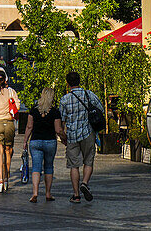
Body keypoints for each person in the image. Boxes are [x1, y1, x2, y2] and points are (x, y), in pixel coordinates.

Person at [59, 70, 104, 204]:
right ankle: (84, 183)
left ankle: (76, 195)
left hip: (72, 135)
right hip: (88, 133)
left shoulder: (65, 99)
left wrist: (63, 136)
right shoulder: (89, 95)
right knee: (88, 161)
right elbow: (100, 109)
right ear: (79, 81)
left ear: (67, 84)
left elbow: (62, 120)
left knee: (74, 165)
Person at [23, 87, 62, 203]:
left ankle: (35, 193)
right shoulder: (55, 111)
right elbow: (58, 129)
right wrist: (64, 138)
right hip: (50, 141)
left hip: (35, 141)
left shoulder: (34, 110)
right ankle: (48, 193)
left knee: (36, 167)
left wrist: (25, 140)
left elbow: (29, 126)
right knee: (49, 167)